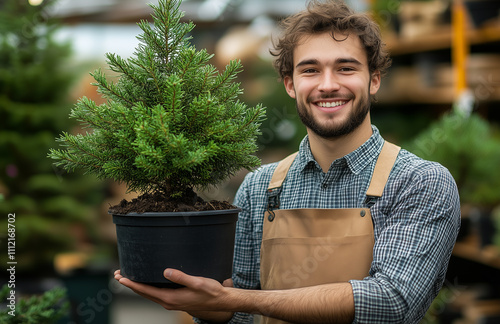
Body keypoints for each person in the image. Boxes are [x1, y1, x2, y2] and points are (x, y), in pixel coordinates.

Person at [114, 0, 461, 323]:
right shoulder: (260, 187)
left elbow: (391, 301)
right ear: (290, 84)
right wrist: (204, 304)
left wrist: (240, 300)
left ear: (373, 80)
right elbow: (237, 312)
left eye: (345, 68)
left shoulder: (420, 181)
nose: (328, 85)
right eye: (310, 70)